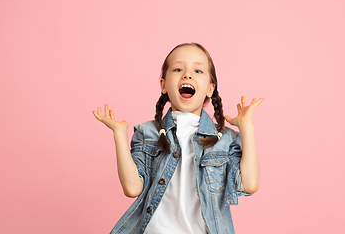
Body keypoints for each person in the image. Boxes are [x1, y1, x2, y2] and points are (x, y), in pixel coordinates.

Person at [92, 43, 264, 234]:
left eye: (197, 70)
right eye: (178, 69)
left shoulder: (225, 139)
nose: (187, 75)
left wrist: (246, 127)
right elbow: (132, 188)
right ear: (164, 85)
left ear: (210, 88)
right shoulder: (147, 132)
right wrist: (119, 133)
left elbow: (249, 184)